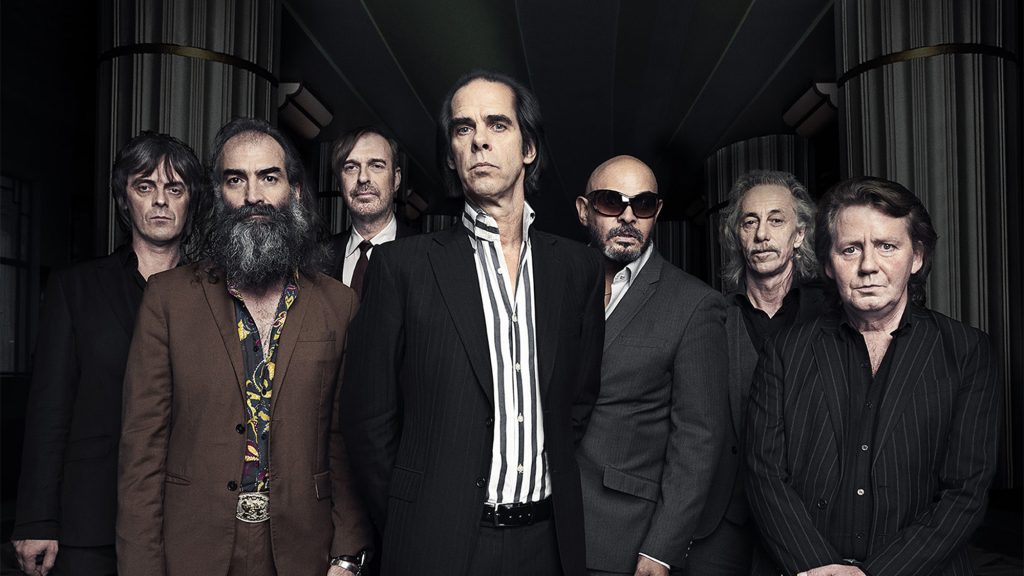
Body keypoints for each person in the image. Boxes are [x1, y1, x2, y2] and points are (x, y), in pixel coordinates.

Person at [341, 70, 604, 576]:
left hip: (548, 543)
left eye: (497, 124)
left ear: (529, 148)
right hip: (435, 544)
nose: (479, 139)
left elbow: (579, 399)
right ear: (451, 156)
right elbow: (367, 420)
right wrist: (412, 518)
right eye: (463, 128)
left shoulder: (578, 269)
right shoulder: (402, 268)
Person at [116, 118, 371, 576]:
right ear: (219, 195)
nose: (253, 195)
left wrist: (348, 554)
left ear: (294, 191)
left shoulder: (338, 305)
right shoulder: (167, 299)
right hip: (194, 550)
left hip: (303, 552)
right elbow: (143, 450)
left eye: (268, 177)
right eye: (236, 180)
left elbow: (345, 444)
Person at [745, 176, 1002, 576]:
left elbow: (965, 492)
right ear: (828, 264)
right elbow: (764, 475)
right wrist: (818, 567)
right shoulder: (784, 351)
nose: (868, 266)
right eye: (850, 249)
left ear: (916, 257)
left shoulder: (967, 352)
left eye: (886, 246)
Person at [12, 132, 204, 576]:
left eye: (174, 188)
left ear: (192, 201)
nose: (160, 201)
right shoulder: (75, 288)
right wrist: (36, 518)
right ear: (124, 199)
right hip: (89, 517)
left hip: (185, 518)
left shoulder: (212, 294)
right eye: (145, 186)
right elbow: (49, 411)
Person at [574, 156, 728, 575]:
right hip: (540, 527)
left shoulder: (695, 304)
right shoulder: (552, 283)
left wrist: (661, 550)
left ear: (656, 213)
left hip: (622, 539)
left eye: (642, 204)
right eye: (611, 201)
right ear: (584, 210)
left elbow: (698, 439)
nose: (628, 216)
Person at [689, 170, 826, 573]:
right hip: (722, 524)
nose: (762, 234)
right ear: (737, 236)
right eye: (750, 222)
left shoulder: (832, 313)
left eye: (776, 220)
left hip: (809, 518)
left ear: (799, 234)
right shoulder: (707, 316)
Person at [323, 126, 416, 293]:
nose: (363, 177)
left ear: (396, 179)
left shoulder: (425, 255)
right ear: (339, 183)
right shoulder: (320, 257)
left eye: (376, 166)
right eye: (351, 167)